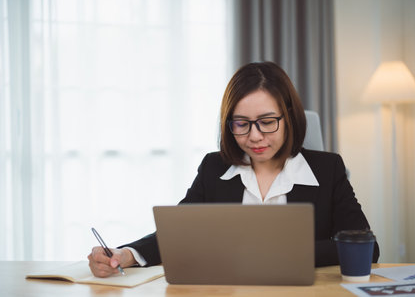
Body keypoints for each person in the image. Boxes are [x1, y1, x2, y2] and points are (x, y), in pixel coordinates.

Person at [88, 61, 380, 277]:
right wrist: (126, 255)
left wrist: (273, 254)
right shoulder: (214, 168)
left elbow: (367, 247)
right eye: (241, 123)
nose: (254, 136)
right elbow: (179, 235)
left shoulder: (327, 168)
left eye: (267, 121)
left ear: (289, 117)